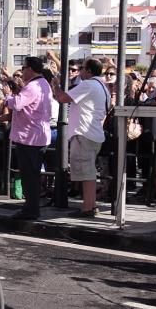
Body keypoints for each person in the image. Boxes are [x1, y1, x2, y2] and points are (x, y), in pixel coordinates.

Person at [51, 57, 110, 217]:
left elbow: (63, 98)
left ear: (89, 70)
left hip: (84, 133)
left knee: (87, 173)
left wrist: (55, 85)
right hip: (92, 133)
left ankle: (88, 207)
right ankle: (90, 205)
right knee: (88, 171)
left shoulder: (88, 84)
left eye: (82, 68)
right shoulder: (102, 86)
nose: (80, 71)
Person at [5, 55, 52, 220]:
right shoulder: (43, 83)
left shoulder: (33, 86)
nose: (22, 71)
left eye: (24, 68)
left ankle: (31, 209)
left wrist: (8, 96)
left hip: (30, 137)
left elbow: (16, 104)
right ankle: (31, 207)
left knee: (29, 175)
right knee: (32, 174)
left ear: (30, 69)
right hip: (36, 135)